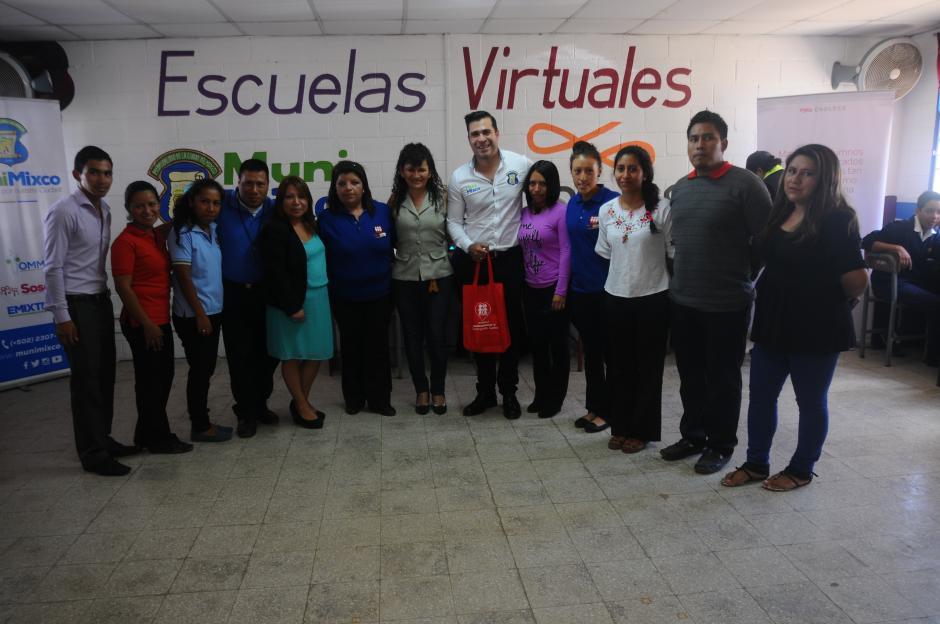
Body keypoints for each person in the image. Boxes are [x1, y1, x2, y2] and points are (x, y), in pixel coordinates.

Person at [722, 144, 867, 491]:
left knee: (810, 402)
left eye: (807, 173)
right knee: (760, 396)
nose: (795, 179)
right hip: (775, 319)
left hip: (817, 325)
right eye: (792, 170)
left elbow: (856, 280)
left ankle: (802, 469)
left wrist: (824, 292)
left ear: (825, 178)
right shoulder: (779, 211)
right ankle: (757, 462)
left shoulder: (837, 218)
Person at [660, 110, 773, 475]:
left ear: (723, 142)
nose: (700, 145)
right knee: (691, 375)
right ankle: (693, 435)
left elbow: (765, 243)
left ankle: (721, 444)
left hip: (727, 303)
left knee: (723, 378)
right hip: (684, 300)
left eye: (708, 138)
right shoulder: (681, 188)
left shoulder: (746, 185)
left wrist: (743, 278)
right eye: (694, 138)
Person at [43, 146, 139, 476]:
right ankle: (92, 453)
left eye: (107, 173)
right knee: (86, 381)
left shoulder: (105, 209)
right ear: (77, 175)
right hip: (75, 304)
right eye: (94, 172)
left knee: (104, 376)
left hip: (99, 300)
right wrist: (62, 316)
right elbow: (52, 267)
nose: (102, 179)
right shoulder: (63, 211)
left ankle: (104, 438)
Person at [448, 110, 533, 419]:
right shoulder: (460, 177)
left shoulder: (520, 166)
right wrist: (468, 245)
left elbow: (538, 201)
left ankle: (509, 392)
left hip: (509, 260)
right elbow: (453, 223)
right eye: (474, 134)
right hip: (475, 263)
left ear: (497, 133)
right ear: (469, 139)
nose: (481, 139)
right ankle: (484, 392)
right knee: (481, 327)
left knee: (508, 329)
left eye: (486, 132)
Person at [595, 146, 672, 451]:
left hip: (654, 297)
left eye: (632, 169)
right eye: (621, 169)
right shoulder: (607, 210)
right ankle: (622, 425)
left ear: (645, 172)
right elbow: (606, 251)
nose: (625, 175)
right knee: (618, 367)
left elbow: (672, 253)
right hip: (616, 296)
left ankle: (642, 430)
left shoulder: (661, 209)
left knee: (649, 369)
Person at [111, 181, 192, 454]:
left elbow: (174, 223)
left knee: (161, 378)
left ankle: (145, 434)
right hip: (143, 322)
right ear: (129, 209)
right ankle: (159, 438)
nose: (147, 210)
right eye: (139, 206)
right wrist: (146, 324)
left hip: (159, 318)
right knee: (152, 382)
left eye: (152, 204)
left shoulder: (154, 236)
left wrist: (190, 210)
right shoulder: (125, 242)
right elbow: (123, 286)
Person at [317, 160, 396, 416]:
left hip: (380, 294)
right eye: (342, 183)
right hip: (344, 296)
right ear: (334, 188)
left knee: (378, 348)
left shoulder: (382, 212)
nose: (348, 188)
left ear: (364, 187)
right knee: (351, 348)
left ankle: (380, 400)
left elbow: (396, 248)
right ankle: (354, 398)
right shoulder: (326, 219)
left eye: (354, 182)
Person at [259, 176, 332, 429]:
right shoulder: (275, 229)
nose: (296, 202)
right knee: (291, 355)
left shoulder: (311, 224)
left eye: (301, 197)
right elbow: (275, 274)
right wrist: (292, 306)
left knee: (316, 353)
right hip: (291, 303)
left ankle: (301, 400)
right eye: (289, 197)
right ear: (280, 201)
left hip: (318, 298)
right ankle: (301, 405)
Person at [216, 159, 279, 438]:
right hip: (233, 292)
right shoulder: (221, 206)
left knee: (269, 353)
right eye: (248, 183)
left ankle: (260, 402)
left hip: (267, 292)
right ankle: (246, 412)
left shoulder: (275, 210)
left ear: (268, 185)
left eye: (260, 184)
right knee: (240, 355)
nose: (254, 189)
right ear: (237, 183)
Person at [389, 143, 453, 415]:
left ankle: (438, 390)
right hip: (404, 276)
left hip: (439, 274)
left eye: (422, 169)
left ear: (430, 170)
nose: (417, 174)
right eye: (411, 169)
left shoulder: (443, 197)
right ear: (402, 171)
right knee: (412, 337)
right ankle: (421, 391)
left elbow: (454, 233)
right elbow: (389, 238)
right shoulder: (394, 201)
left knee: (437, 336)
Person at [168, 179, 232, 443]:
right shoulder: (182, 233)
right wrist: (201, 314)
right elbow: (183, 277)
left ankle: (202, 420)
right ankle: (200, 425)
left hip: (213, 310)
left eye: (216, 203)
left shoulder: (214, 230)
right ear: (192, 201)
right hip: (194, 314)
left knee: (205, 368)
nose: (211, 207)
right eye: (205, 201)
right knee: (200, 369)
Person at [566, 141, 620, 431]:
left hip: (609, 292)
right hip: (581, 292)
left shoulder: (613, 202)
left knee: (611, 354)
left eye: (589, 170)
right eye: (578, 171)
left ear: (599, 171)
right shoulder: (572, 204)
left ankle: (609, 410)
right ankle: (594, 407)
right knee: (592, 353)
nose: (583, 177)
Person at [861, 190, 940, 364]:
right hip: (890, 282)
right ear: (918, 211)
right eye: (929, 211)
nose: (934, 216)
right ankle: (933, 358)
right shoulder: (900, 228)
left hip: (916, 283)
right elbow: (866, 241)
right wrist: (897, 248)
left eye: (938, 212)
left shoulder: (936, 236)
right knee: (936, 304)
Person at [518, 160, 571, 419]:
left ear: (551, 186)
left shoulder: (560, 211)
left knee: (557, 347)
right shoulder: (525, 213)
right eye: (532, 183)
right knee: (538, 346)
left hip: (554, 288)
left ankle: (555, 398)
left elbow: (566, 252)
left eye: (542, 183)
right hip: (531, 288)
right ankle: (541, 395)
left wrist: (561, 290)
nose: (536, 188)